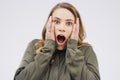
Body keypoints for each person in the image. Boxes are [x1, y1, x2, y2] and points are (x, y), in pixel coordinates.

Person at [14, 2, 100, 80]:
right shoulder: (35, 45)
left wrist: (73, 51)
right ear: (49, 24)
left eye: (69, 23)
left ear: (76, 27)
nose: (62, 28)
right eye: (56, 22)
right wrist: (47, 50)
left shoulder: (86, 50)